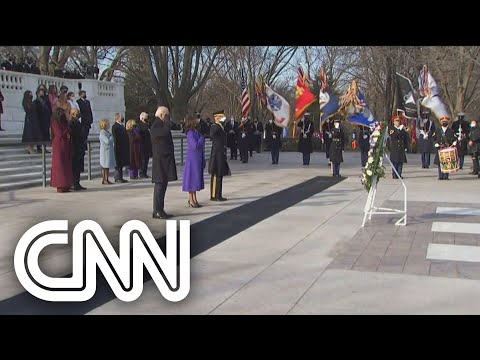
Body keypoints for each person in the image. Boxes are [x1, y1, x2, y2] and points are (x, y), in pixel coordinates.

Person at [151, 106, 178, 219]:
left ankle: (160, 209)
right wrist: (167, 122)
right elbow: (164, 133)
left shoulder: (161, 124)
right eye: (166, 115)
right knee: (160, 185)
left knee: (163, 185)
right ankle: (157, 210)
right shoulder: (156, 125)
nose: (168, 118)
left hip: (164, 160)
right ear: (162, 114)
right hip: (160, 160)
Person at [182, 115, 206, 208]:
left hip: (198, 159)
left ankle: (194, 198)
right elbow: (195, 145)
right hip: (193, 160)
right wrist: (202, 139)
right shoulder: (190, 133)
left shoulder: (196, 132)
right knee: (192, 180)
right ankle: (191, 200)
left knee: (195, 180)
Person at [209, 110, 230, 201]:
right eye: (221, 117)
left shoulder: (221, 126)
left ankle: (219, 194)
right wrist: (217, 124)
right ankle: (214, 195)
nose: (223, 118)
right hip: (216, 153)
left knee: (220, 173)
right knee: (216, 173)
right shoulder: (215, 126)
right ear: (217, 117)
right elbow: (212, 135)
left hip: (221, 152)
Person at [50, 108, 73, 193]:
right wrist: (67, 130)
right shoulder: (55, 122)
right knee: (60, 166)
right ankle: (60, 185)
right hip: (59, 145)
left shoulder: (64, 122)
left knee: (66, 165)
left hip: (66, 145)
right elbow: (59, 133)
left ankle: (66, 185)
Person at [69, 108, 86, 191]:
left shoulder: (78, 122)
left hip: (80, 147)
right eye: (77, 112)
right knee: (74, 167)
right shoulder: (71, 122)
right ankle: (73, 183)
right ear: (72, 114)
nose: (79, 113)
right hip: (75, 147)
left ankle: (77, 182)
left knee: (78, 167)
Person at [112, 112, 130, 183]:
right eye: (120, 117)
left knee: (121, 164)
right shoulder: (115, 126)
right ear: (117, 118)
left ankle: (120, 177)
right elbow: (115, 137)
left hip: (123, 147)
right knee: (118, 164)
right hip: (118, 147)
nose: (122, 118)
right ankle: (117, 177)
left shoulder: (121, 126)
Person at [99, 119, 115, 185]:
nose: (109, 125)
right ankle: (104, 179)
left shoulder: (107, 132)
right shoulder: (102, 132)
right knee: (104, 166)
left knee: (107, 166)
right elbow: (107, 141)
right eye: (108, 124)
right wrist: (111, 137)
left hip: (108, 151)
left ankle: (107, 179)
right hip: (105, 152)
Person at [138, 112, 152, 178]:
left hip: (147, 145)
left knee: (146, 160)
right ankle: (141, 173)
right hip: (142, 145)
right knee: (143, 160)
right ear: (142, 118)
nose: (147, 119)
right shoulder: (139, 125)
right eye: (146, 118)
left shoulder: (147, 125)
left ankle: (145, 173)